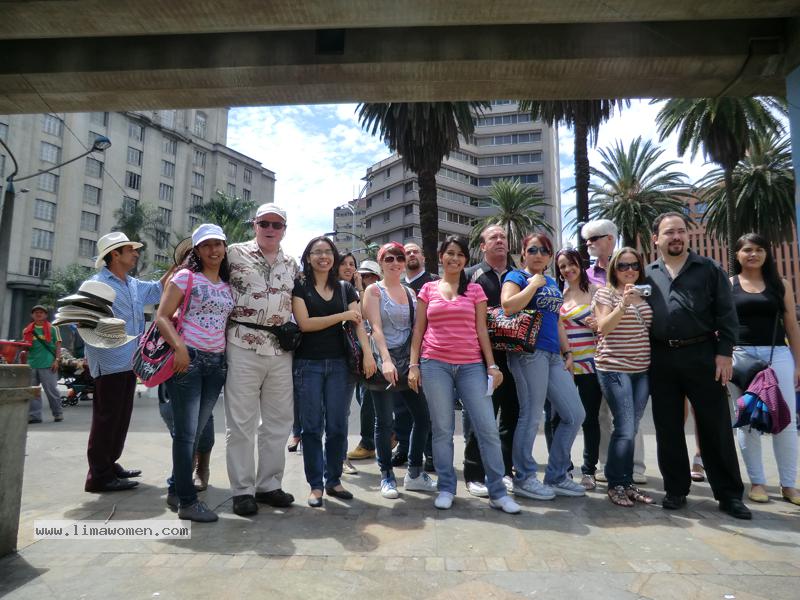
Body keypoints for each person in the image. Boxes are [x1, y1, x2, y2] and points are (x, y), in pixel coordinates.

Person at [645, 212, 750, 519]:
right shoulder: (647, 273)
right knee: (668, 426)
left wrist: (725, 352)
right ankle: (676, 490)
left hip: (704, 355)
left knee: (715, 425)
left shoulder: (708, 268)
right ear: (657, 239)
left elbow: (727, 313)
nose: (675, 237)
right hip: (661, 358)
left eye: (680, 231)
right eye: (669, 233)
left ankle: (730, 495)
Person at [409, 235, 521, 514]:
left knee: (487, 428)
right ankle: (446, 486)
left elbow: (483, 330)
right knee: (443, 430)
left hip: (471, 365)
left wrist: (492, 366)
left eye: (460, 254)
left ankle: (497, 491)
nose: (455, 258)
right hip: (434, 364)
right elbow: (418, 330)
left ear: (465, 259)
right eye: (450, 253)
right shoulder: (428, 290)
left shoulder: (474, 291)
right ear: (440, 256)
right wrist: (413, 365)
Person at [84, 232, 174, 493]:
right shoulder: (96, 285)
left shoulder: (132, 284)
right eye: (130, 250)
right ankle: (98, 476)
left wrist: (177, 266)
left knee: (120, 418)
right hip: (109, 362)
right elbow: (85, 323)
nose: (135, 254)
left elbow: (158, 290)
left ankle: (109, 465)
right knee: (106, 418)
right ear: (114, 255)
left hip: (128, 362)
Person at [157, 224, 234, 522]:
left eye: (218, 244)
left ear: (225, 247)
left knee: (196, 431)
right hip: (188, 361)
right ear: (197, 251)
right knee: (186, 434)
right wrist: (179, 348)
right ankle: (187, 503)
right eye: (206, 245)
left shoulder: (227, 285)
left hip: (216, 364)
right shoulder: (186, 277)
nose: (213, 250)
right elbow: (162, 316)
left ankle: (176, 489)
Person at [224, 203, 298, 516]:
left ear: (284, 229)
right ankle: (242, 490)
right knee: (241, 422)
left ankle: (269, 485)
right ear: (254, 224)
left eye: (277, 225)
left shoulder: (292, 263)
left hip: (280, 348)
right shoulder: (233, 253)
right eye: (265, 223)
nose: (270, 229)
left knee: (279, 421)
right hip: (242, 342)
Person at [501, 233, 586, 501]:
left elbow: (558, 320)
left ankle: (557, 475)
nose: (539, 254)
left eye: (544, 250)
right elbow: (507, 306)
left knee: (575, 414)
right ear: (523, 253)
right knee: (531, 415)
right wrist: (532, 286)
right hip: (528, 353)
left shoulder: (550, 280)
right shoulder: (517, 277)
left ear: (550, 256)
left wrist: (567, 351)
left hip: (552, 355)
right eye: (533, 249)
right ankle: (524, 477)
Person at [292, 236, 375, 507]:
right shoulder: (300, 287)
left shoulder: (344, 289)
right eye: (317, 252)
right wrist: (341, 317)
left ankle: (334, 480)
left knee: (338, 426)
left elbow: (359, 323)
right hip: (308, 364)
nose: (323, 257)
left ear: (334, 257)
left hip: (340, 365)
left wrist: (368, 354)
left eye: (328, 252)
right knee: (312, 427)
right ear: (308, 257)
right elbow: (305, 324)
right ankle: (316, 485)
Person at [729, 233, 800, 506]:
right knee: (747, 419)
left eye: (759, 249)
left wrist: (797, 363)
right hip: (742, 358)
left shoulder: (780, 284)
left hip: (778, 355)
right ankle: (757, 482)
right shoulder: (729, 284)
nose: (753, 254)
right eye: (747, 250)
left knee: (785, 420)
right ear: (737, 254)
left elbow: (791, 325)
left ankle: (789, 485)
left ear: (766, 254)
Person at [363, 242, 436, 499]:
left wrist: (414, 363)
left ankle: (415, 472)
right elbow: (375, 328)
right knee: (384, 422)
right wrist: (385, 360)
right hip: (382, 361)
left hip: (407, 361)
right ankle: (386, 475)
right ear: (381, 262)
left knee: (423, 418)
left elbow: (417, 331)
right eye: (389, 258)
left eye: (399, 258)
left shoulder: (409, 292)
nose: (395, 262)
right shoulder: (373, 290)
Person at [582, 219, 648, 484]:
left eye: (594, 238)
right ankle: (608, 464)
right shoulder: (585, 275)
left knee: (630, 415)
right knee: (602, 414)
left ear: (610, 238)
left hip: (636, 358)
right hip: (598, 352)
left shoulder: (638, 276)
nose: (589, 243)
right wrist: (594, 319)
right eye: (587, 239)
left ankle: (636, 466)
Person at [592, 248, 654, 507]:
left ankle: (627, 482)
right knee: (625, 427)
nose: (629, 270)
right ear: (614, 269)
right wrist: (624, 303)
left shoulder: (647, 294)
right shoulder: (605, 292)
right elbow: (603, 327)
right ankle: (616, 483)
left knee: (632, 427)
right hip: (614, 367)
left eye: (634, 266)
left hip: (642, 369)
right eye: (623, 266)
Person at [462, 225, 519, 497]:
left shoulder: (520, 275)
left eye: (503, 237)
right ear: (482, 246)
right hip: (482, 359)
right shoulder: (469, 275)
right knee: (480, 418)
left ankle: (506, 471)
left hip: (517, 358)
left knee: (511, 417)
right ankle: (474, 473)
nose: (499, 240)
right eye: (493, 238)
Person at [555, 248, 603, 490]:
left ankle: (589, 471)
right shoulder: (557, 294)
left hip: (590, 364)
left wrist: (598, 324)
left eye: (571, 264)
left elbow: (608, 325)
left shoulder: (595, 292)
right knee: (559, 417)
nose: (568, 269)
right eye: (562, 266)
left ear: (580, 264)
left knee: (589, 418)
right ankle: (563, 468)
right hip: (564, 364)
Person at [346, 260, 382, 463]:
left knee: (368, 397)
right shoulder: (352, 291)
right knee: (363, 397)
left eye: (368, 276)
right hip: (358, 353)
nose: (362, 278)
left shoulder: (377, 293)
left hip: (374, 353)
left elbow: (363, 316)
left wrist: (360, 288)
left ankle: (368, 442)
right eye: (361, 275)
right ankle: (383, 435)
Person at [23, 305, 63, 424]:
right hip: (31, 364)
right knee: (33, 392)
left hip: (48, 364)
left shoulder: (53, 329)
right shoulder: (27, 330)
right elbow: (25, 347)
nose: (38, 314)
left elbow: (58, 345)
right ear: (32, 315)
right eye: (36, 312)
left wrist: (57, 360)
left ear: (45, 315)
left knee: (51, 391)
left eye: (41, 312)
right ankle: (35, 416)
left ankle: (58, 413)